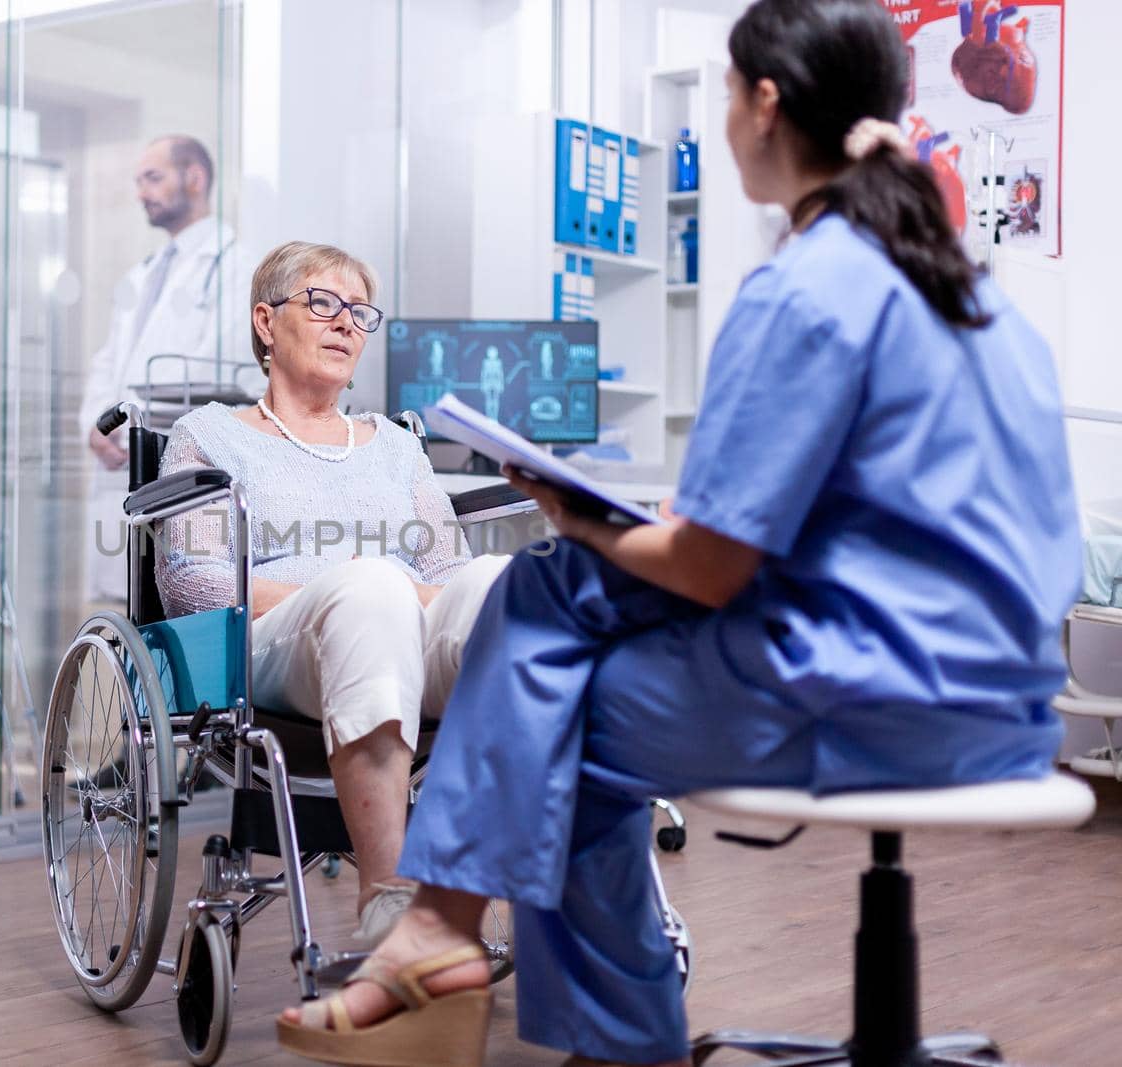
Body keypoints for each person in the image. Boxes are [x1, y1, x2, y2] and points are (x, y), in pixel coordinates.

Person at [276, 2, 1081, 1065]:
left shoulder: (806, 288)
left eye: (722, 97)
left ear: (763, 103)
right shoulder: (970, 292)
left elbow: (705, 565)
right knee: (547, 596)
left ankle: (522, 984)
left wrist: (575, 514)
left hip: (880, 697)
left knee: (548, 697)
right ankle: (447, 938)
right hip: (1009, 700)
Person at [156, 240, 510, 943]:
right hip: (275, 651)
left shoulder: (395, 445)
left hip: (397, 628)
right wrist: (352, 587)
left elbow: (447, 569)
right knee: (372, 587)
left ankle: (521, 885)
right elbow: (196, 584)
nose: (347, 322)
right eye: (323, 303)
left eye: (359, 311)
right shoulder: (209, 435)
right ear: (266, 321)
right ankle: (388, 895)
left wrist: (401, 595)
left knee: (499, 583)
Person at [82, 135, 251, 602]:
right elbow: (109, 360)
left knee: (167, 605)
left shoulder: (234, 268)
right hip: (121, 455)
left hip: (170, 456)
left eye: (153, 178)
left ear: (194, 178)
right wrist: (97, 424)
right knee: (121, 613)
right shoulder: (145, 272)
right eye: (138, 181)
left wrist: (138, 428)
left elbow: (219, 368)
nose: (141, 192)